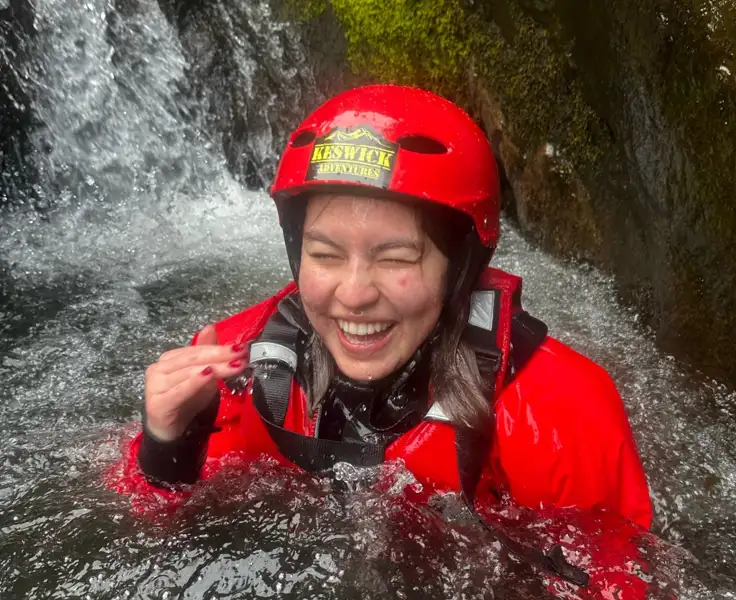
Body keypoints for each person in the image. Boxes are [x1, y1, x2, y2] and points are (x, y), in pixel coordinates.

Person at [112, 84, 652, 591]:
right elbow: (156, 532)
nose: (353, 295)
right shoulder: (236, 364)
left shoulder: (561, 411)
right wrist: (167, 445)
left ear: (459, 267)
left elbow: (618, 583)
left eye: (395, 258)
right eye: (324, 254)